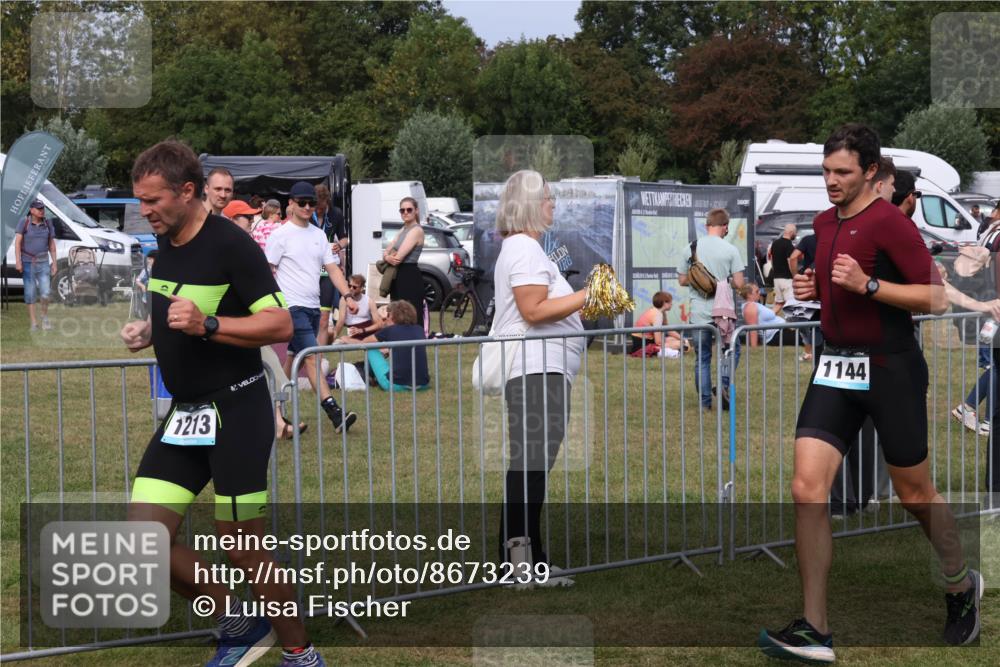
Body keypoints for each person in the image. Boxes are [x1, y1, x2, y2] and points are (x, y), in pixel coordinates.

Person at [758, 124, 982, 663]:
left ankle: (959, 583)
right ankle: (815, 628)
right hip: (834, 367)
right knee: (806, 488)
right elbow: (833, 284)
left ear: (871, 172)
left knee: (914, 494)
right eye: (827, 172)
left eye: (843, 172)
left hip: (890, 369)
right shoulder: (820, 223)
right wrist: (814, 289)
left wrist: (870, 286)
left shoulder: (889, 222)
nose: (832, 182)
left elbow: (935, 298)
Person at [120, 140, 326, 667]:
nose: (144, 211)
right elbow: (181, 305)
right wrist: (152, 330)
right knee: (144, 540)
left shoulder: (232, 245)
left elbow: (279, 324)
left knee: (244, 546)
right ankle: (239, 618)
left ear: (187, 192)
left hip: (236, 412)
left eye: (153, 201)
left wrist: (208, 325)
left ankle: (300, 653)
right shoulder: (167, 242)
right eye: (140, 201)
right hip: (187, 414)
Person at [491, 169, 585, 585]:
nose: (553, 204)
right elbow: (533, 310)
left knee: (531, 468)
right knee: (529, 468)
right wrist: (589, 294)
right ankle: (521, 563)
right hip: (535, 369)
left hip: (542, 368)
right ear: (529, 203)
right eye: (547, 197)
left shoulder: (526, 249)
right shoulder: (525, 250)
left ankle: (525, 558)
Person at [265, 181, 358, 433]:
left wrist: (348, 295)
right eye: (302, 203)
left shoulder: (318, 235)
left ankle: (273, 411)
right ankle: (335, 412)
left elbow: (333, 270)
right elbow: (267, 271)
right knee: (313, 357)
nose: (307, 207)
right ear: (291, 205)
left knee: (293, 359)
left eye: (311, 203)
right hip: (291, 308)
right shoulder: (279, 235)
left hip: (313, 307)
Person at [678, 208, 745, 411]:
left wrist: (701, 281)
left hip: (699, 313)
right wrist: (723, 283)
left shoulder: (690, 248)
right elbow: (740, 283)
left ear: (707, 225)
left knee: (702, 358)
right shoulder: (731, 250)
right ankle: (724, 384)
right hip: (723, 312)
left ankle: (704, 403)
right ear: (725, 226)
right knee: (732, 350)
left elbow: (682, 280)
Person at [359, 300, 429, 391]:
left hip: (396, 385)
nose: (386, 318)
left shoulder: (390, 330)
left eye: (388, 315)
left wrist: (382, 347)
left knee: (370, 349)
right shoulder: (419, 329)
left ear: (392, 316)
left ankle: (368, 376)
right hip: (423, 385)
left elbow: (365, 342)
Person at [313, 184, 350, 346]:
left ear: (327, 202)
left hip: (328, 267)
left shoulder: (336, 214)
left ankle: (318, 355)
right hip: (310, 267)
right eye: (316, 207)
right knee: (307, 315)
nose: (318, 211)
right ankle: (305, 353)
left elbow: (344, 238)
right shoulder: (307, 212)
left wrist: (339, 246)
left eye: (321, 208)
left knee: (323, 317)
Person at [383, 197, 426, 328]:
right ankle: (399, 345)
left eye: (409, 209)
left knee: (410, 315)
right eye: (402, 210)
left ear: (416, 211)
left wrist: (388, 257)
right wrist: (387, 256)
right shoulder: (403, 229)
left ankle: (414, 345)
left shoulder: (416, 230)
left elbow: (397, 258)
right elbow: (387, 251)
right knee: (396, 314)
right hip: (398, 276)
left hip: (409, 276)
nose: (405, 212)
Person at [14, 200, 58, 331]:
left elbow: (52, 244)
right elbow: (17, 243)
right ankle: (34, 323)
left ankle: (44, 317)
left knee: (45, 292)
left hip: (44, 263)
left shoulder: (48, 223)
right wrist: (18, 261)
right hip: (28, 263)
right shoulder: (24, 222)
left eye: (42, 208)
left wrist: (54, 263)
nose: (41, 210)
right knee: (30, 292)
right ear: (32, 210)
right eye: (38, 208)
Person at [630, 291, 687, 355]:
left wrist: (682, 338)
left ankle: (667, 350)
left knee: (675, 340)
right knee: (679, 344)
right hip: (643, 345)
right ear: (664, 303)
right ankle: (656, 350)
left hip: (646, 341)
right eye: (670, 301)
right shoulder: (657, 315)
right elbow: (658, 341)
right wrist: (681, 342)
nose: (672, 304)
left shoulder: (659, 312)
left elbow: (668, 329)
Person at [333, 275, 383, 343]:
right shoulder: (344, 299)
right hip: (353, 331)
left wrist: (362, 330)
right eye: (349, 285)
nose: (351, 288)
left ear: (362, 288)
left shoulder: (369, 301)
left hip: (368, 330)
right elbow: (341, 321)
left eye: (354, 287)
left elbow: (379, 324)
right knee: (343, 339)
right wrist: (334, 336)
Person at [769, 224, 796, 313]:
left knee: (778, 304)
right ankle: (792, 327)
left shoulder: (775, 243)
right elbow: (790, 261)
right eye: (795, 232)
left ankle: (766, 324)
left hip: (776, 278)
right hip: (787, 280)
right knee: (791, 305)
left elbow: (772, 260)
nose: (795, 234)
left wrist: (775, 271)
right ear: (791, 232)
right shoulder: (789, 245)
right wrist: (794, 275)